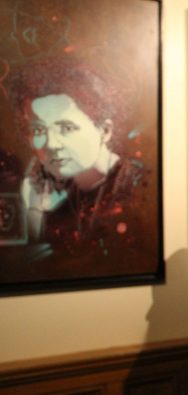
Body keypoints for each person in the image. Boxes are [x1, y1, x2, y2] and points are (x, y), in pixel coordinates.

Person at [7, 58, 148, 262]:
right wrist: (34, 211)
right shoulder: (49, 188)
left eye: (66, 128)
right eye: (38, 130)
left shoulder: (136, 190)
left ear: (104, 131)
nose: (52, 144)